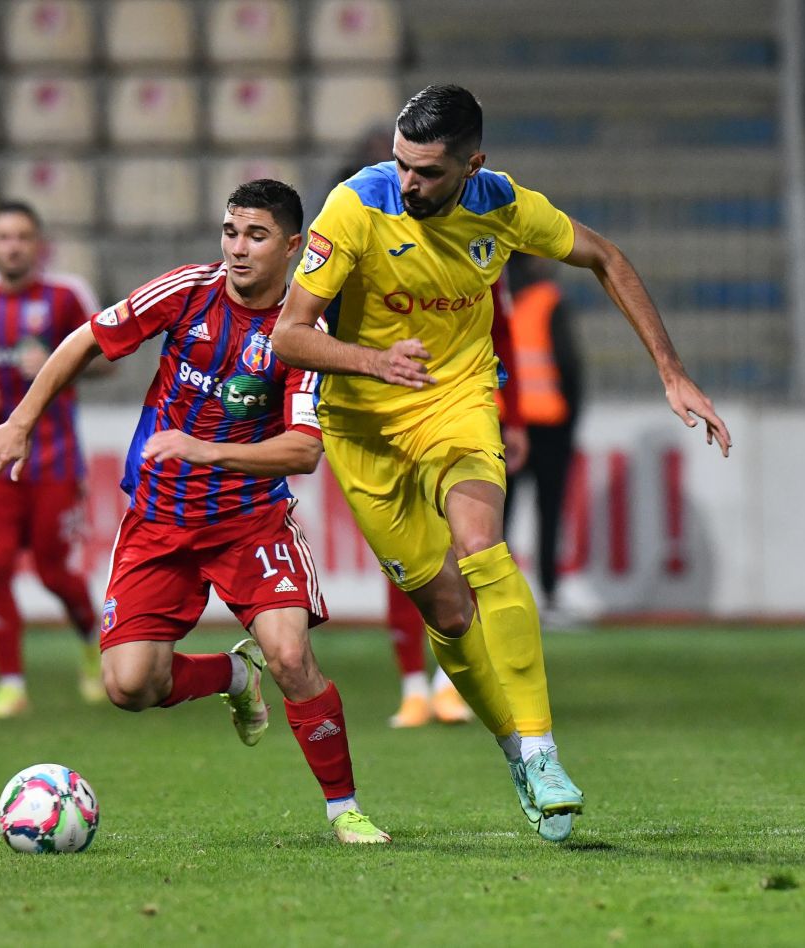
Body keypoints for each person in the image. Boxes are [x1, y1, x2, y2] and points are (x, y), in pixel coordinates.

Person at [272, 84, 731, 844]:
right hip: (361, 426)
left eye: (426, 172)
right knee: (447, 613)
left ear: (472, 164)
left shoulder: (504, 204)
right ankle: (514, 749)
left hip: (457, 399)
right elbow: (291, 333)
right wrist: (371, 360)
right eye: (401, 164)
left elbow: (605, 257)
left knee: (483, 543)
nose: (408, 183)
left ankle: (544, 751)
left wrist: (671, 369)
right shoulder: (354, 206)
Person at [0, 180, 390, 844]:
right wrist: (21, 421)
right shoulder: (187, 290)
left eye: (255, 236)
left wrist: (204, 448)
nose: (237, 249)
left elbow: (303, 452)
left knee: (289, 653)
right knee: (129, 686)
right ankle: (230, 673)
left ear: (291, 247)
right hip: (158, 521)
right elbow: (85, 339)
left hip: (251, 523)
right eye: (229, 232)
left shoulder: (302, 335)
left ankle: (345, 810)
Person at [0, 200, 105, 719]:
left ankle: (90, 643)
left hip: (55, 458)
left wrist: (60, 362)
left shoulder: (66, 296)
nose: (12, 245)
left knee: (54, 571)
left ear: (38, 245)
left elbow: (106, 359)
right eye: (3, 237)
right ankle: (10, 685)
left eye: (22, 236)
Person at [388, 274, 527, 728]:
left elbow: (502, 331)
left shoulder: (481, 250)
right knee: (403, 556)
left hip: (462, 418)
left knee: (470, 547)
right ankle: (412, 688)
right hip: (394, 417)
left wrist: (517, 417)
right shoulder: (374, 236)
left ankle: (452, 685)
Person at [501, 252, 584, 624]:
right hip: (550, 424)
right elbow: (569, 365)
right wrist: (572, 422)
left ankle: (498, 597)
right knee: (548, 513)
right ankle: (549, 596)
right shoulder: (548, 299)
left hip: (504, 422)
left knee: (499, 516)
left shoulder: (495, 299)